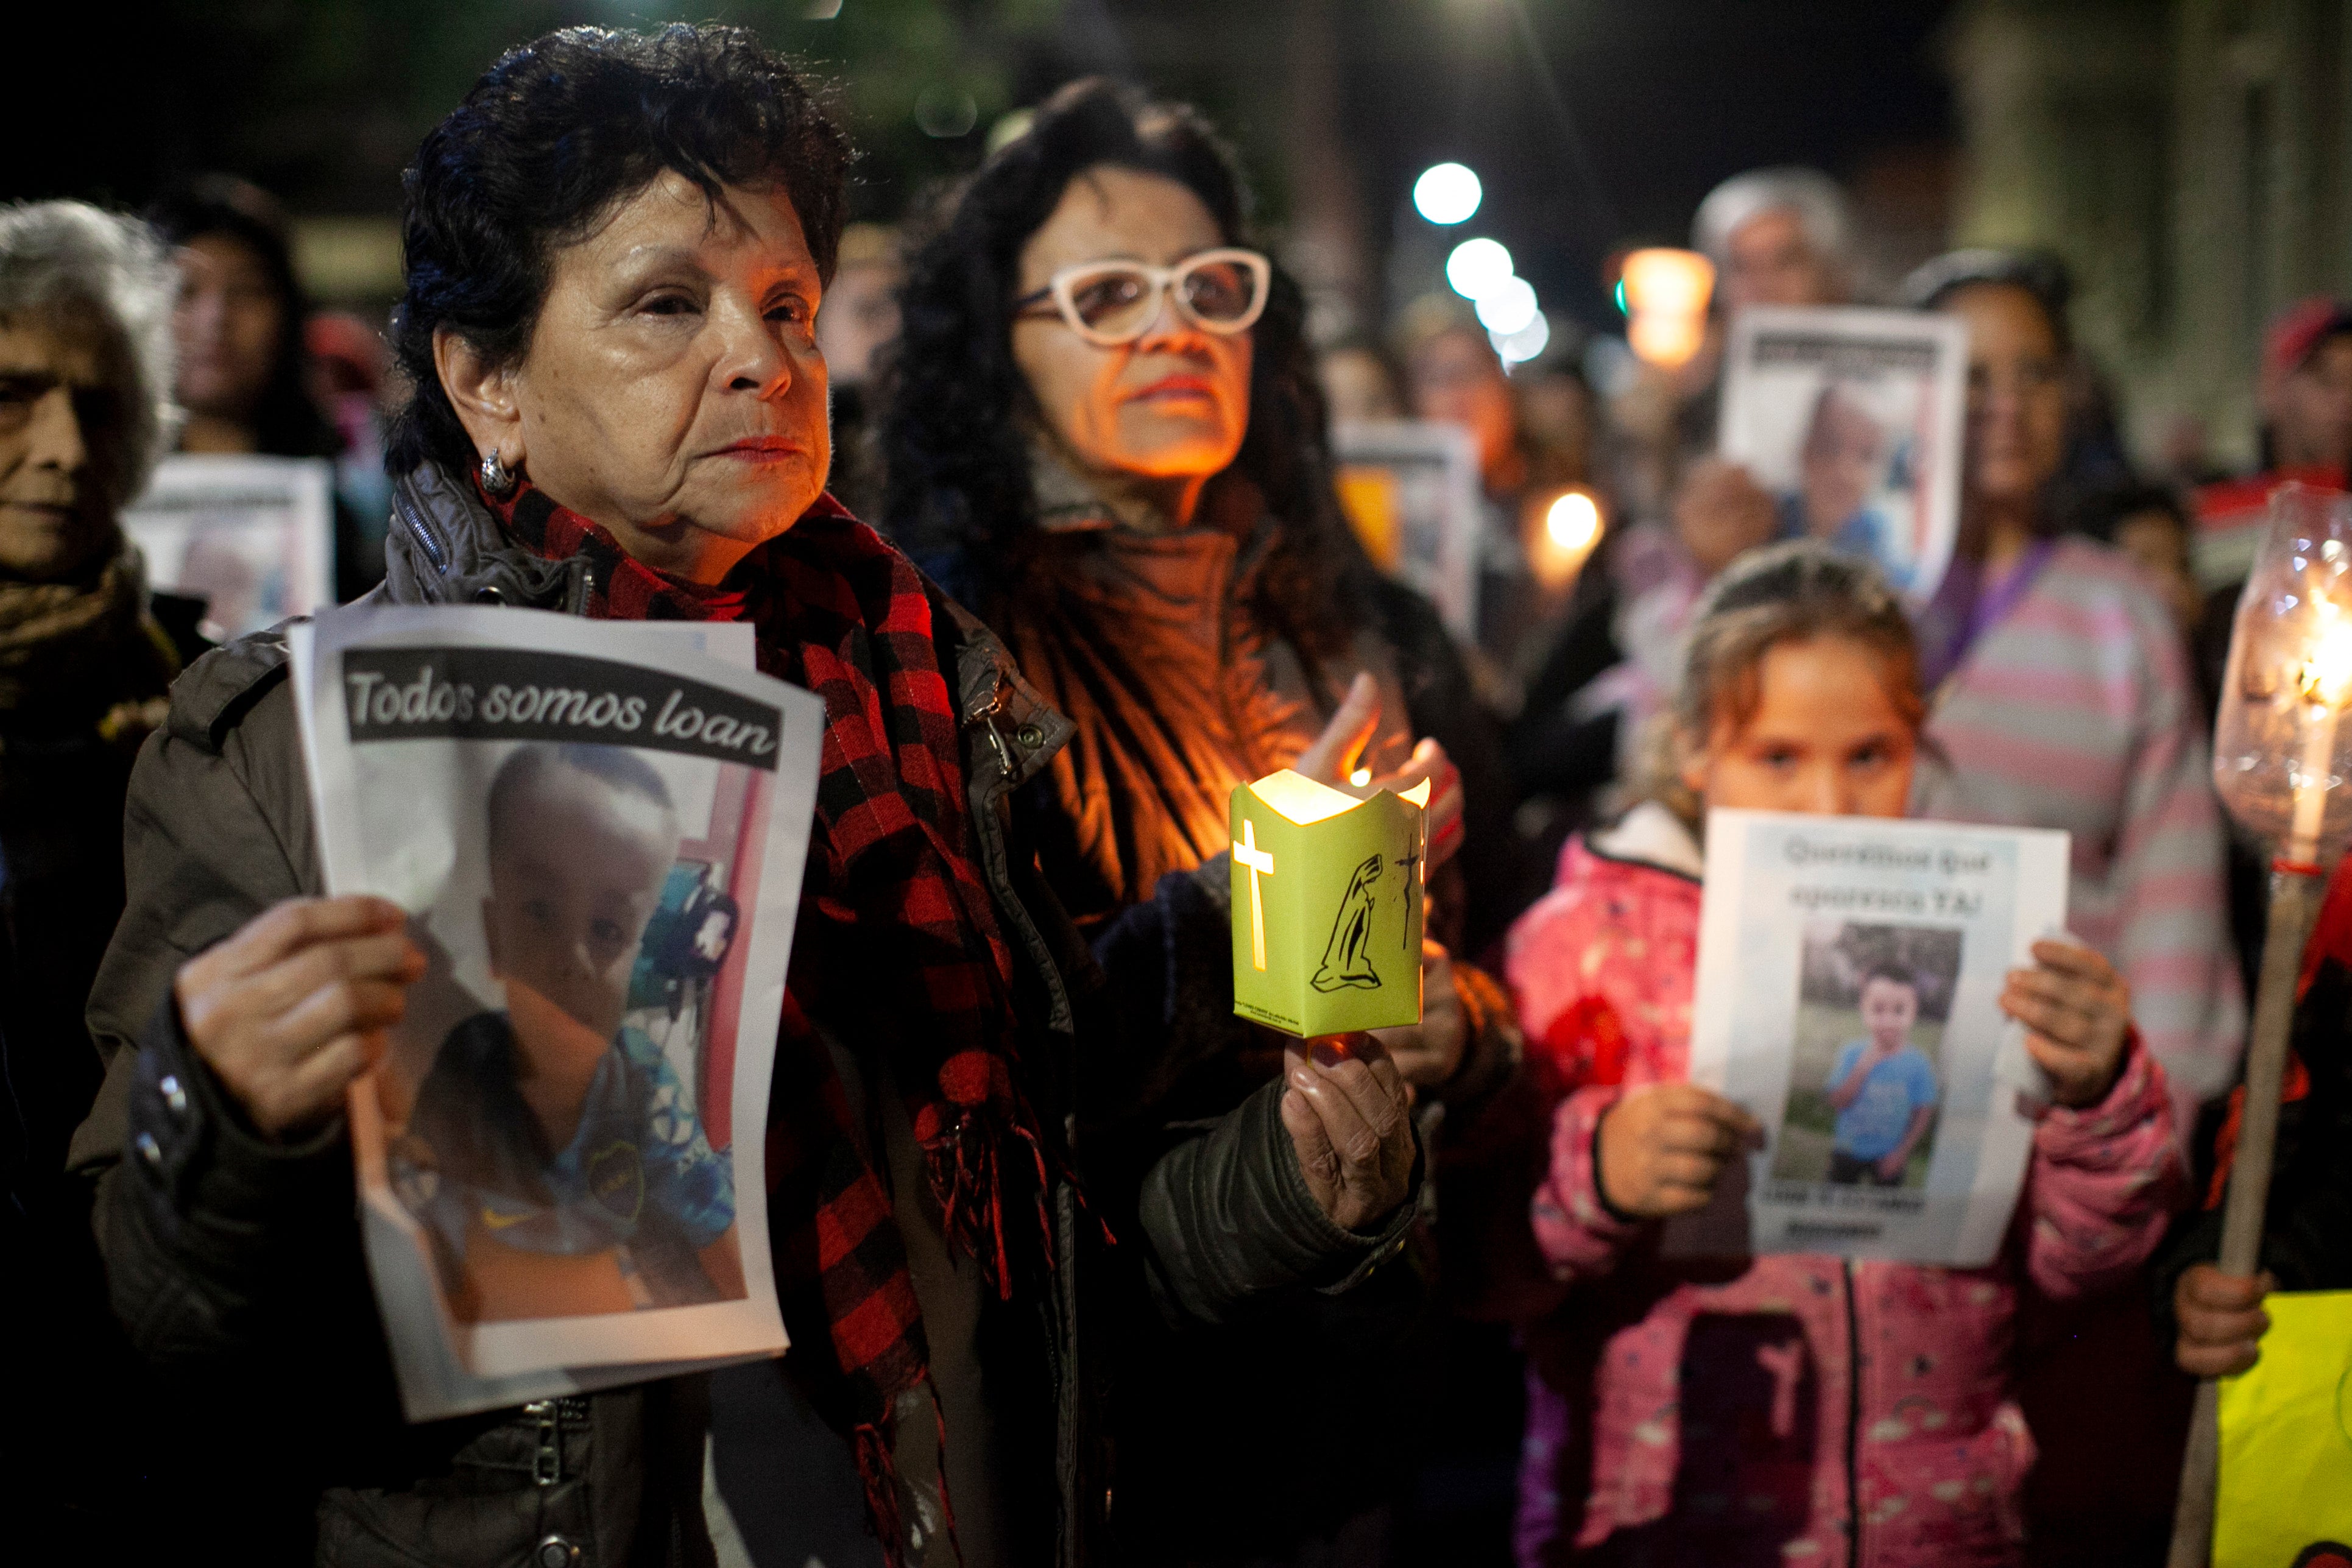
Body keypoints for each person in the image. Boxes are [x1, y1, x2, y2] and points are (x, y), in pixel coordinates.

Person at [68, 28, 1419, 1567]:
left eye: (785, 305)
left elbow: (1045, 1267)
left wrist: (1296, 1186)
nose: (763, 358)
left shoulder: (930, 704)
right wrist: (218, 1108)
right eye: (666, 303)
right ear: (484, 378)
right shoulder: (290, 750)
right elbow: (162, 1325)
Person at [880, 79, 1509, 1564]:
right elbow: (996, 1089)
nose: (1170, 327)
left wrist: (1460, 1031)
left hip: (1365, 1423)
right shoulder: (945, 651)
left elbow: (1476, 968)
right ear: (1000, 345)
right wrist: (1245, 908)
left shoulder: (1355, 619)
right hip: (1132, 1444)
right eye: (1103, 294)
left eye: (1208, 286)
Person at [1500, 542, 2183, 1564]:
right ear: (1694, 749)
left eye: (1869, 754)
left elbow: (2079, 1265)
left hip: (1939, 1520)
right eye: (1777, 755)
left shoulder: (1993, 938)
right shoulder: (1585, 946)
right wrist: (1593, 1170)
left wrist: (2098, 1093)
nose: (1827, 801)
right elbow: (1485, 1263)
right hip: (1665, 1520)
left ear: (1922, 740)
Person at [1896, 247, 2245, 1561]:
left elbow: (2168, 911)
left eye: (2033, 372)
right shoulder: (1838, 593)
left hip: (2067, 1191)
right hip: (1852, 1152)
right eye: (1966, 374)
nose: (2004, 404)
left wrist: (2146, 1146)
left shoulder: (2117, 618)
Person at [0, 199, 200, 1560]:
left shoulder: (205, 702)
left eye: (100, 401)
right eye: (13, 394)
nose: (66, 451)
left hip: (156, 1413)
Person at [396, 743, 738, 1322]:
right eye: (540, 913)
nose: (573, 959)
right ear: (494, 938)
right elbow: (424, 1215)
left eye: (607, 929)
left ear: (637, 957)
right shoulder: (465, 1061)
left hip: (612, 1297)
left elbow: (712, 1222)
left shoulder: (643, 1077)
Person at [150, 176, 383, 600]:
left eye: (246, 292)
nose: (216, 318)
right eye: (185, 291)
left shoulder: (352, 501)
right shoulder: (103, 494)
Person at [1823, 963, 1939, 1186]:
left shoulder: (1918, 1063)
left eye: (1899, 1010)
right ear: (1863, 1009)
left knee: (1887, 1207)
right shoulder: (1852, 1053)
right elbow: (1837, 1101)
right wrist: (1864, 1066)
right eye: (1878, 1009)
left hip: (1890, 1153)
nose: (1889, 1020)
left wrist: (1902, 1152)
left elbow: (1923, 1112)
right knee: (1835, 1205)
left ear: (1914, 1012)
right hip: (1847, 1150)